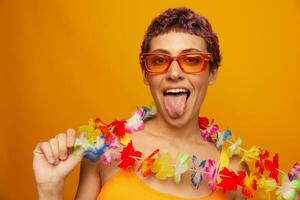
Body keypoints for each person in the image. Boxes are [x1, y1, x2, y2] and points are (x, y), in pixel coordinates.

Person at [33, 7, 250, 200]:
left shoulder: (233, 171)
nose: (174, 73)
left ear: (212, 73)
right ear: (146, 74)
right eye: (159, 60)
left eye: (191, 60)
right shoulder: (105, 150)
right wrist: (49, 191)